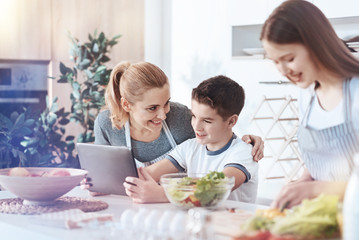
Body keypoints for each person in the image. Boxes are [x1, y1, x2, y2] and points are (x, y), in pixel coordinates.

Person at [260, 0, 359, 209]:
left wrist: (314, 190)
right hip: (326, 219)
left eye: (289, 58)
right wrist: (305, 180)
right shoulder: (307, 95)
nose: (283, 70)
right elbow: (322, 162)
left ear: (316, 44)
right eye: (275, 61)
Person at [94, 61, 264, 169]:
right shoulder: (106, 124)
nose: (162, 115)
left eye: (166, 103)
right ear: (126, 105)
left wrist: (246, 142)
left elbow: (216, 138)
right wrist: (94, 182)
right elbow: (102, 173)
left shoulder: (181, 116)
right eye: (152, 108)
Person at [124, 75, 258, 203]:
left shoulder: (243, 152)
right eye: (194, 116)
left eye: (207, 121)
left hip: (233, 224)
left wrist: (164, 194)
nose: (196, 126)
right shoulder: (190, 147)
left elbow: (216, 189)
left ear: (231, 121)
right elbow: (144, 175)